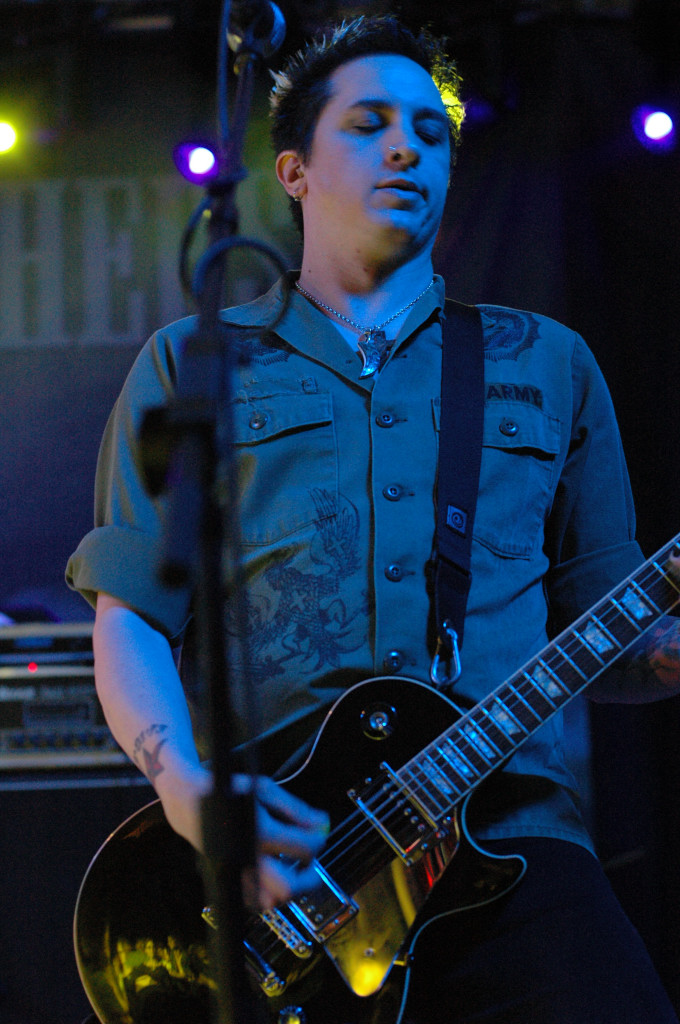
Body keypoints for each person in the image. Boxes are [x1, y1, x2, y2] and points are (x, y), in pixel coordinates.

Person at [67, 14, 680, 1024]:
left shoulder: (548, 362)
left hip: (513, 836)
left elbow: (612, 636)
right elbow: (130, 617)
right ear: (295, 171)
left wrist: (661, 653)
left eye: (430, 132)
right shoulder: (191, 365)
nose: (406, 147)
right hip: (287, 860)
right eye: (369, 124)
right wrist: (188, 793)